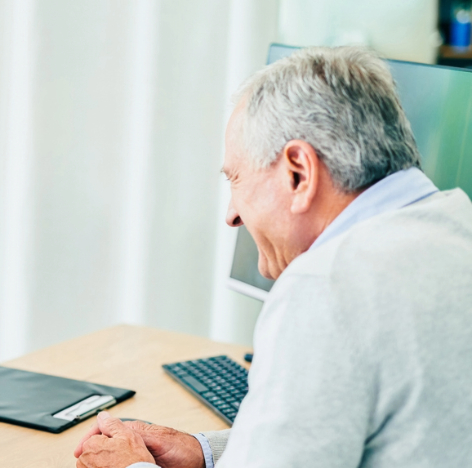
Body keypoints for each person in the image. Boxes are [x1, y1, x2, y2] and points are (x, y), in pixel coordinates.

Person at [73, 46, 472, 467]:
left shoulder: (326, 285)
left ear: (299, 172)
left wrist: (132, 466)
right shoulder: (457, 223)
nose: (232, 214)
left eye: (237, 179)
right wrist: (207, 452)